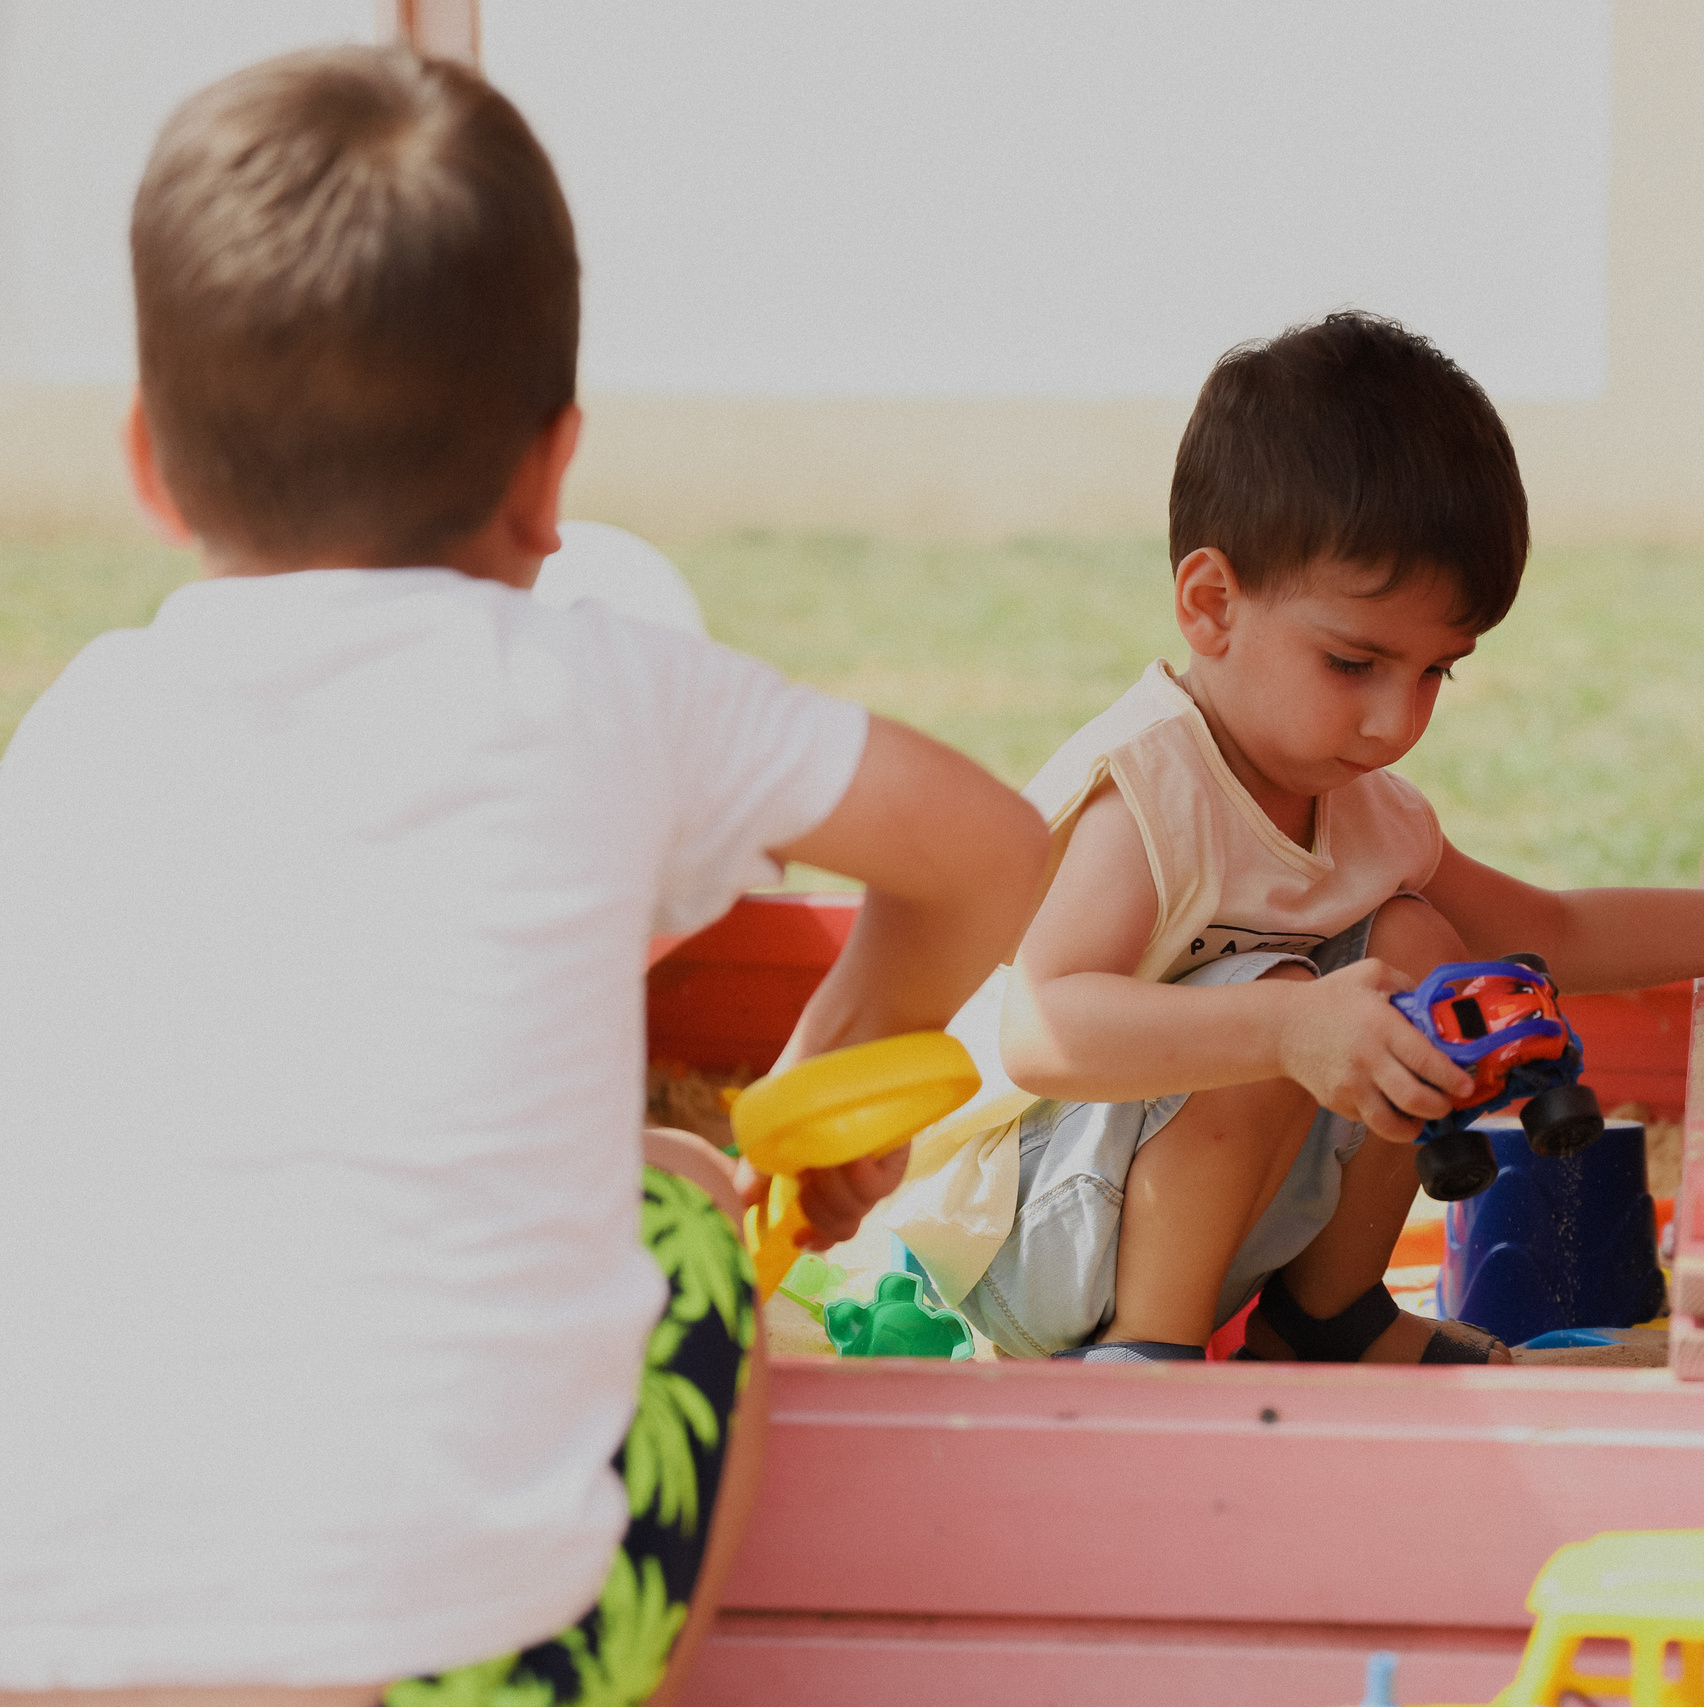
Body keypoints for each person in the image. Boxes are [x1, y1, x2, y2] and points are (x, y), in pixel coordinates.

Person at [0, 46, 1046, 1705]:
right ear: (553, 472)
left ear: (145, 459)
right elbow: (997, 849)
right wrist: (841, 1056)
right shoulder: (603, 685)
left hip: (47, 1644)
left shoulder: (71, 738)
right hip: (466, 1657)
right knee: (686, 1198)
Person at [885, 311, 1704, 1367]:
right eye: (1353, 665)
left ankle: (1326, 1319)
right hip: (1028, 1241)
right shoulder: (1154, 792)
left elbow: (1556, 930)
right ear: (1211, 605)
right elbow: (1044, 1033)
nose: (1395, 721)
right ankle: (1148, 1366)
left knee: (1416, 945)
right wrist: (1281, 1025)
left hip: (1189, 1213)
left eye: (1436, 671)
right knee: (1287, 999)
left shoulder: (1361, 807)